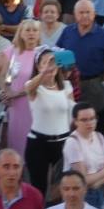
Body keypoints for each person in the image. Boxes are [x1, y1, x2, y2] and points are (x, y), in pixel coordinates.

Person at [24, 48, 75, 196]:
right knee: (38, 188)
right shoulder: (34, 87)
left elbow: (73, 111)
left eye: (53, 61)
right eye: (45, 63)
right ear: (38, 67)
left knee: (60, 187)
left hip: (63, 142)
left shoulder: (66, 86)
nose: (50, 65)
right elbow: (29, 87)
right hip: (38, 142)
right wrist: (44, 72)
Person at [57, 0, 104, 118]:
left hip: (93, 84)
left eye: (88, 12)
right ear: (75, 14)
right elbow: (59, 52)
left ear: (94, 14)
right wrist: (63, 77)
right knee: (69, 117)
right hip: (70, 83)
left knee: (92, 117)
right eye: (81, 12)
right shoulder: (68, 31)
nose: (84, 15)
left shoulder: (103, 34)